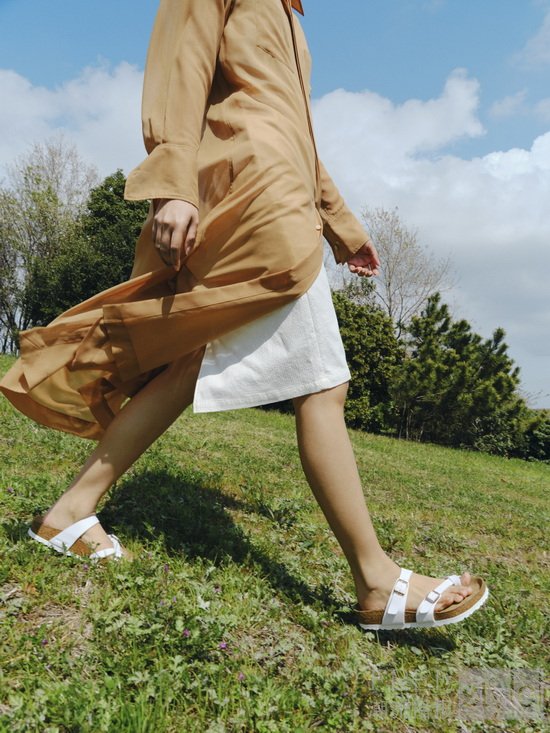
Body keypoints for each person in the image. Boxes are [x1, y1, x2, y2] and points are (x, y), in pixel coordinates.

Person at [0, 0, 488, 630]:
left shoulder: (291, 16)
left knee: (186, 363)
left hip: (281, 192)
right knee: (323, 385)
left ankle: (69, 513)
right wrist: (173, 184)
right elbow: (180, 68)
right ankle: (377, 582)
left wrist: (341, 224)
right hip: (253, 199)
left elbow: (295, 128)